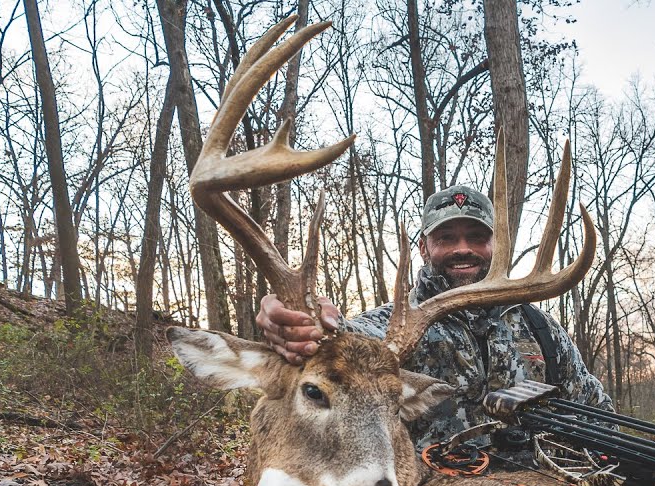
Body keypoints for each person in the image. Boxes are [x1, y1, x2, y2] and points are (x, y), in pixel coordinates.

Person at [256, 184, 614, 450]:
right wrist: (299, 320)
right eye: (446, 238)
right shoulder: (392, 328)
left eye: (477, 237)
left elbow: (595, 411)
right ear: (424, 247)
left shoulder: (542, 330)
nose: (463, 249)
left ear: (496, 245)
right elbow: (341, 341)